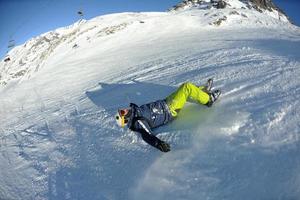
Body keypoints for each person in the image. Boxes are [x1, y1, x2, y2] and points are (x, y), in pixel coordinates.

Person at [115, 79, 221, 152]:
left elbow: (132, 105)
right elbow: (147, 135)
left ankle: (202, 92)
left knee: (185, 92)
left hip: (166, 102)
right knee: (186, 88)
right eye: (123, 113)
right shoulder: (138, 121)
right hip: (169, 110)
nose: (124, 110)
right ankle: (209, 99)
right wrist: (158, 143)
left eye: (122, 110)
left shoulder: (134, 111)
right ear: (126, 119)